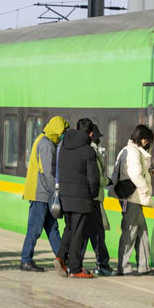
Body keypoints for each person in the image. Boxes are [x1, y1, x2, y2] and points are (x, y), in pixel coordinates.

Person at [20, 115, 68, 272]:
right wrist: (56, 192)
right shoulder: (47, 144)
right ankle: (26, 260)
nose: (64, 135)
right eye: (63, 131)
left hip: (42, 192)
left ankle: (62, 258)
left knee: (52, 227)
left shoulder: (43, 139)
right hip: (40, 193)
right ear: (57, 130)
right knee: (34, 229)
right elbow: (48, 173)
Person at [54, 118, 100, 278]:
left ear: (75, 127)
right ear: (91, 133)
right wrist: (92, 194)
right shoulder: (88, 151)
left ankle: (60, 257)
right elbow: (93, 178)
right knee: (78, 233)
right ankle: (75, 268)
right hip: (81, 197)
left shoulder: (63, 146)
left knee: (69, 228)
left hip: (65, 195)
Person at [115, 124, 154, 275]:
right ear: (143, 139)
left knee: (142, 231)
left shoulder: (127, 150)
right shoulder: (133, 152)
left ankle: (144, 266)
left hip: (133, 198)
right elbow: (135, 174)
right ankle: (123, 266)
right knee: (130, 231)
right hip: (133, 197)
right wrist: (145, 189)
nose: (147, 144)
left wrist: (149, 173)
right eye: (147, 140)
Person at [80, 119, 113, 275]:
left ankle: (75, 262)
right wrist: (109, 181)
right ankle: (103, 264)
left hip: (89, 198)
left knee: (86, 234)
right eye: (98, 137)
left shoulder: (88, 150)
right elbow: (96, 177)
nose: (100, 140)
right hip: (94, 198)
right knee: (98, 233)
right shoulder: (92, 152)